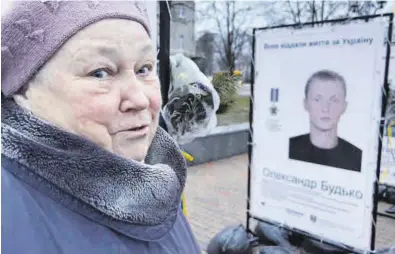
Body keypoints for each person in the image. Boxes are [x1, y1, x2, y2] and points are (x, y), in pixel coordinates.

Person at [1, 1, 200, 253]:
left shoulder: (161, 178)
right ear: (23, 91)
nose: (140, 100)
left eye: (144, 69)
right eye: (100, 73)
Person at [289, 70, 362, 172]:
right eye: (317, 100)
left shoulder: (357, 158)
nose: (325, 109)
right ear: (305, 104)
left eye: (334, 100)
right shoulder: (290, 147)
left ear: (344, 107)